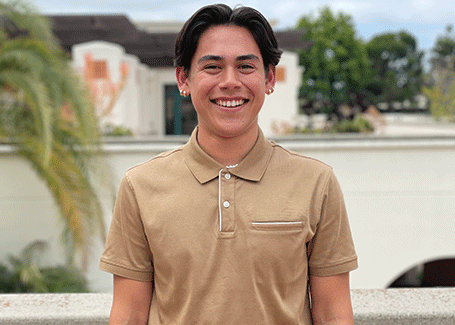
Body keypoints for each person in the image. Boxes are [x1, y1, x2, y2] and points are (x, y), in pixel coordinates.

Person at [99, 4, 357, 324]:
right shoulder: (140, 186)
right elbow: (129, 313)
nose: (230, 82)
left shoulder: (316, 182)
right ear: (184, 79)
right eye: (212, 67)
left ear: (269, 78)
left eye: (246, 66)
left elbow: (334, 314)